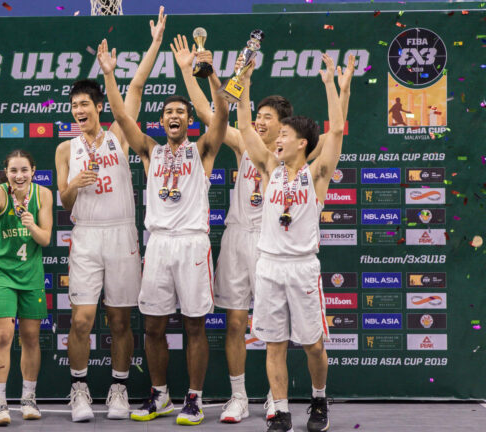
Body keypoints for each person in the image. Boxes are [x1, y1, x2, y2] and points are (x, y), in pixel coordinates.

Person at [171, 36, 354, 424]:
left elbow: (336, 132)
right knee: (250, 329)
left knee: (301, 341)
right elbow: (217, 115)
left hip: (292, 257)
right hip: (249, 242)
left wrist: (339, 87)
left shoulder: (307, 165)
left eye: (270, 119)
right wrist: (230, 77)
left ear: (291, 133)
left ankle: (294, 399)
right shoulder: (254, 153)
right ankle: (250, 399)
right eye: (260, 116)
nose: (262, 122)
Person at [97, 38, 228, 426]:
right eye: (168, 112)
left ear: (188, 121)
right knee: (153, 326)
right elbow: (121, 117)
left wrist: (207, 76)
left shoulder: (202, 150)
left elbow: (221, 116)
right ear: (160, 121)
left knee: (194, 325)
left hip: (191, 244)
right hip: (158, 245)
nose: (174, 116)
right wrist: (109, 76)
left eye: (180, 112)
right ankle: (160, 395)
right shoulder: (150, 151)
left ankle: (195, 398)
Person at [54, 6, 166, 422]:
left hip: (121, 234)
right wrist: (73, 185)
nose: (78, 110)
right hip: (86, 235)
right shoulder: (65, 149)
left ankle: (119, 389)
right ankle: (79, 389)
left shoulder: (119, 133)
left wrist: (151, 46)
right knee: (81, 321)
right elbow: (65, 203)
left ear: (99, 105)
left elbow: (136, 85)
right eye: (74, 106)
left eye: (85, 104)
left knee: (120, 320)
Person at [237, 54, 345, 432]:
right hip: (269, 266)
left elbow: (336, 132)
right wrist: (244, 82)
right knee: (274, 344)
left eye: (283, 135)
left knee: (313, 345)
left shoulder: (316, 175)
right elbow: (244, 127)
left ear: (302, 143)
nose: (276, 138)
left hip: (302, 268)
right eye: (277, 134)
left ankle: (318, 399)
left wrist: (332, 86)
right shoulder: (269, 168)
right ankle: (280, 411)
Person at [0, 150, 53, 426]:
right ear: (6, 173)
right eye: (13, 171)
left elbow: (45, 239)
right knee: (3, 336)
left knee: (31, 337)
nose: (19, 176)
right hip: (0, 274)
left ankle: (28, 399)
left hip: (30, 275)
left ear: (33, 171)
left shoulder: (44, 194)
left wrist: (32, 226)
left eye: (24, 170)